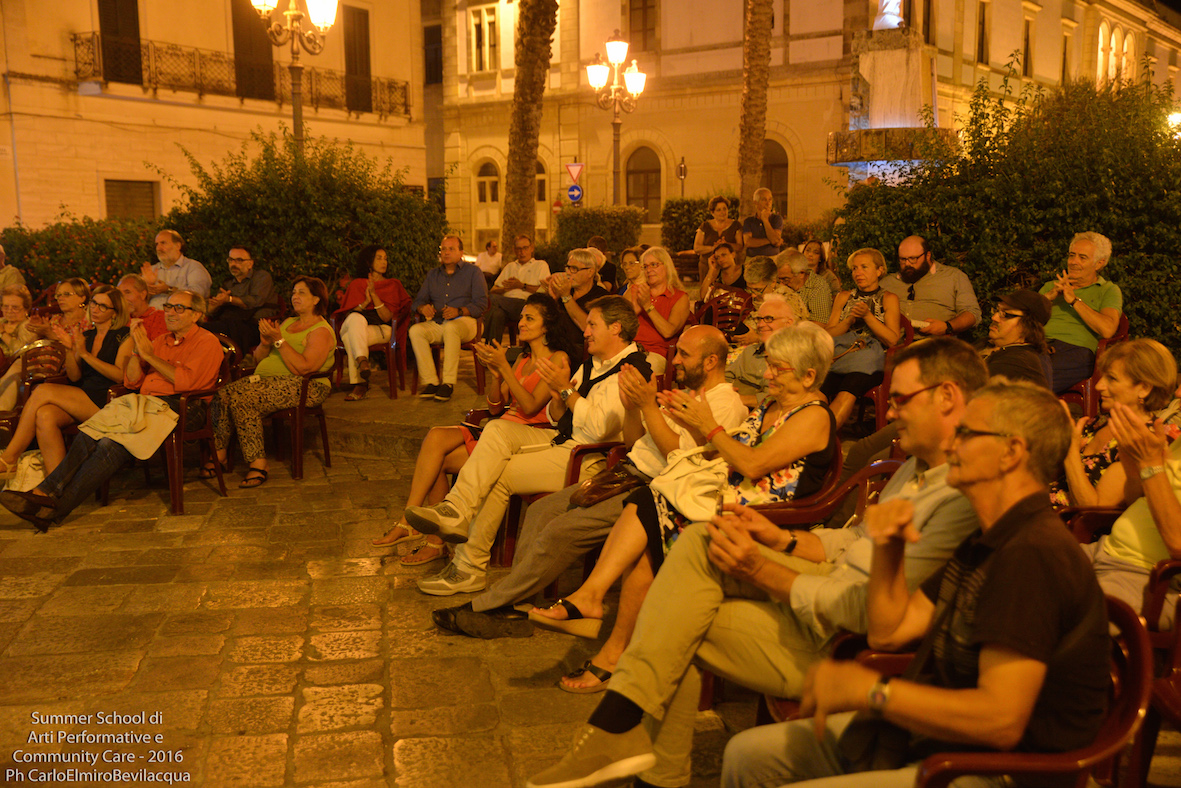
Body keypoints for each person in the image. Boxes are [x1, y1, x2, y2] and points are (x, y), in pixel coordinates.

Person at [525, 338, 988, 788]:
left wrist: (763, 569)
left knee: (687, 557)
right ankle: (640, 758)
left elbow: (873, 613)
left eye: (901, 399)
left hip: (845, 644)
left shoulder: (960, 496)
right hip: (819, 579)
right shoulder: (917, 468)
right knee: (675, 617)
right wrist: (784, 539)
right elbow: (853, 541)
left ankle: (615, 726)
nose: (886, 411)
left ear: (948, 397)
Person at [721, 381, 1109, 788]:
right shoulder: (986, 540)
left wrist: (874, 691)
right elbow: (890, 633)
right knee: (748, 755)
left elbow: (1001, 721)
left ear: (1011, 452)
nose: (951, 443)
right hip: (936, 740)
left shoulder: (1032, 554)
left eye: (966, 433)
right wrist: (888, 550)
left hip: (998, 771)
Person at [530, 323, 838, 693]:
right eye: (769, 364)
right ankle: (606, 635)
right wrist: (692, 427)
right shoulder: (771, 405)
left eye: (777, 368)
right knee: (649, 512)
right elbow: (723, 454)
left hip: (763, 520)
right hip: (728, 500)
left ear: (809, 376)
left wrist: (708, 427)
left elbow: (752, 464)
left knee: (650, 508)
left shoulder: (814, 415)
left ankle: (602, 626)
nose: (767, 374)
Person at [430, 325, 747, 641]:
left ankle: (490, 605)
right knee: (540, 511)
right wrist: (632, 409)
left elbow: (678, 459)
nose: (675, 360)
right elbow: (635, 443)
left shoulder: (724, 403)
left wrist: (649, 406)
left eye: (684, 355)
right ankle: (518, 607)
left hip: (655, 488)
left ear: (710, 361)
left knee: (560, 530)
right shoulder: (685, 395)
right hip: (625, 472)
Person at [406, 296, 653, 596]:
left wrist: (565, 391)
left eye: (592, 325)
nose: (585, 332)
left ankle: (467, 568)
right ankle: (456, 509)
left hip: (591, 457)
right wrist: (561, 399)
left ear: (615, 328)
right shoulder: (594, 363)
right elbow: (555, 414)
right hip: (564, 438)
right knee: (497, 429)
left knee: (500, 474)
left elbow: (600, 429)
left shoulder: (632, 369)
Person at [371, 293, 581, 567]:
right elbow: (495, 406)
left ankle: (431, 540)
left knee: (440, 460)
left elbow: (530, 407)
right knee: (436, 436)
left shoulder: (557, 358)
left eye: (530, 318)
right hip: (502, 426)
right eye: (521, 317)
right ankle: (411, 521)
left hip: (527, 435)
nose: (521, 323)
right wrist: (497, 377)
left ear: (546, 326)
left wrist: (505, 368)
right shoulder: (523, 358)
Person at [0, 290, 222, 532]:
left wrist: (149, 356)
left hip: (185, 406)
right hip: (145, 404)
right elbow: (132, 381)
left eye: (178, 308)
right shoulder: (160, 341)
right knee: (92, 433)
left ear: (196, 315)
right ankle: (46, 496)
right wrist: (137, 351)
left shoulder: (206, 341)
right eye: (168, 307)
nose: (170, 313)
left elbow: (187, 383)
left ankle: (50, 502)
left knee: (109, 444)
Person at [209, 277, 335, 489]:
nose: (295, 297)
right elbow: (259, 360)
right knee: (222, 394)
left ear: (316, 299)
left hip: (306, 386)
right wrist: (265, 343)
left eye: (301, 293)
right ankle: (219, 454)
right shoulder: (288, 323)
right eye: (293, 292)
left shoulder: (320, 331)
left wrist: (279, 340)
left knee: (244, 399)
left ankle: (258, 463)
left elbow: (305, 368)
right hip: (267, 381)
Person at [0, 285, 132, 477]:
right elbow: (75, 376)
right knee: (45, 415)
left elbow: (119, 375)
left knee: (42, 391)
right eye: (94, 303)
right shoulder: (87, 335)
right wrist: (69, 349)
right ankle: (57, 482)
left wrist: (85, 355)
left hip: (108, 398)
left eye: (102, 306)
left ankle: (10, 457)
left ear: (115, 312)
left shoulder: (125, 336)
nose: (95, 309)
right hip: (83, 394)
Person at [1084, 399, 1181, 630]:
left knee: (1066, 617)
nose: (1177, 392)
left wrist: (1150, 464)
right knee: (1016, 565)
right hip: (1105, 550)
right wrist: (1132, 463)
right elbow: (1137, 500)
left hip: (1153, 580)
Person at [1049, 339, 1179, 508]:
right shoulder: (1099, 422)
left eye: (1111, 379)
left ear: (1144, 388)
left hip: (1062, 521)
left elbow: (1093, 511)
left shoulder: (1144, 440)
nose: (1099, 386)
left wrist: (1070, 454)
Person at [823, 248, 901, 428]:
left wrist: (867, 316)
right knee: (819, 387)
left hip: (869, 365)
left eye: (864, 267)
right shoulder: (844, 297)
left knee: (850, 386)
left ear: (880, 270)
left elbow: (892, 340)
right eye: (854, 268)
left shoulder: (888, 298)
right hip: (841, 360)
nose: (858, 273)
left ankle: (824, 432)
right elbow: (827, 335)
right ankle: (810, 429)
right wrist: (849, 320)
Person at [1040, 231, 1124, 393]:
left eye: (1082, 257)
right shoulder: (1050, 286)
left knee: (1033, 380)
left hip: (1075, 351)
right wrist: (1048, 297)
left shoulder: (1108, 290)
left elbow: (1107, 329)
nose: (1073, 262)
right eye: (1072, 255)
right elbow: (1022, 322)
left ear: (1099, 263)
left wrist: (1074, 300)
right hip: (1039, 345)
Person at [409, 235, 488, 403]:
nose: (446, 252)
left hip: (468, 322)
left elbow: (481, 303)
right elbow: (417, 301)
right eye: (443, 249)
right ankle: (431, 382)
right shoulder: (433, 275)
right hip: (440, 322)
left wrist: (459, 311)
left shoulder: (473, 272)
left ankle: (448, 383)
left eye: (451, 249)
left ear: (461, 252)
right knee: (416, 331)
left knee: (452, 327)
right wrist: (423, 308)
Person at [335, 245, 412, 401]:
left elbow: (386, 317)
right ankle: (362, 362)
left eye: (385, 259)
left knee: (350, 337)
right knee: (355, 319)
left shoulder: (392, 284)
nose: (384, 262)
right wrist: (365, 302)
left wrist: (374, 295)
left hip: (381, 329)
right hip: (356, 325)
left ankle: (361, 380)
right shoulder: (357, 284)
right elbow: (349, 313)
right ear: (369, 262)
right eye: (379, 258)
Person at [879, 235, 980, 336]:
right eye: (902, 259)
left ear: (927, 256)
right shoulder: (887, 282)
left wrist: (948, 326)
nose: (907, 264)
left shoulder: (953, 277)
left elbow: (972, 313)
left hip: (936, 342)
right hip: (895, 343)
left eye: (913, 258)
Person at [625, 247, 690, 375]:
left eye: (654, 265)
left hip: (655, 353)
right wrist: (634, 312)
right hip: (627, 348)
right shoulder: (635, 291)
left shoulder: (679, 297)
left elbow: (668, 331)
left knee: (635, 372)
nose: (649, 270)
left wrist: (647, 306)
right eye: (645, 266)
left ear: (667, 266)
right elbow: (616, 324)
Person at [203, 245, 279, 352]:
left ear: (250, 264)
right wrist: (215, 304)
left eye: (239, 260)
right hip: (229, 323)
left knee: (207, 331)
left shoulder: (261, 277)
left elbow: (255, 301)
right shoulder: (228, 283)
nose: (233, 264)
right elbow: (210, 312)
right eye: (231, 260)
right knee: (198, 329)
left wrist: (229, 299)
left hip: (254, 325)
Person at [725, 295, 797, 408]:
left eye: (769, 319)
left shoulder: (796, 358)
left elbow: (783, 396)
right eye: (759, 319)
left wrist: (740, 399)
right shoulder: (750, 351)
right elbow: (725, 377)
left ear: (788, 323)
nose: (760, 325)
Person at [978, 289, 1054, 388]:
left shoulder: (1020, 362)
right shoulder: (986, 343)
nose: (994, 317)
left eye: (1006, 314)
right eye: (997, 310)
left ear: (1028, 325)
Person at [483, 235, 548, 343]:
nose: (522, 252)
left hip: (527, 304)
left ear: (531, 248)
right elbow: (493, 290)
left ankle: (481, 336)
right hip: (506, 305)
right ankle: (493, 349)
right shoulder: (510, 266)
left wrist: (522, 286)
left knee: (492, 299)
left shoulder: (540, 265)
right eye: (518, 249)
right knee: (497, 314)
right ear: (514, 250)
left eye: (525, 248)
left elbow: (544, 290)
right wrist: (505, 289)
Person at [142, 230, 212, 309]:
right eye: (156, 244)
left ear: (178, 246)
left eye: (163, 243)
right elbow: (138, 302)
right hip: (152, 314)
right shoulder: (151, 270)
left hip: (179, 314)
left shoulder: (193, 267)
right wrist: (148, 287)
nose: (158, 248)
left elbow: (198, 295)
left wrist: (169, 289)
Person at [545, 248, 610, 333]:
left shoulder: (602, 297)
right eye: (568, 268)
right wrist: (553, 299)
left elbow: (588, 327)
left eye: (574, 268)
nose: (568, 272)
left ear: (590, 272)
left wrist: (566, 297)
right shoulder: (565, 290)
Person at [0, 284, 34, 410]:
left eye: (15, 307)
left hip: (18, 368)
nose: (9, 310)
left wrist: (3, 334)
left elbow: (22, 351)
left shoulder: (28, 326)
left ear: (26, 308)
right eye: (5, 306)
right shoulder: (1, 322)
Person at [777, 248, 833, 324]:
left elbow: (820, 323)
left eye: (785, 279)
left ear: (801, 274)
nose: (781, 284)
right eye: (779, 279)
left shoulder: (818, 287)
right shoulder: (780, 284)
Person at [695, 196, 744, 283]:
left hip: (729, 269)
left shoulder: (736, 225)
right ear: (712, 212)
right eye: (719, 210)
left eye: (724, 209)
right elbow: (697, 248)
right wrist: (713, 248)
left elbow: (740, 246)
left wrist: (726, 245)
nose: (722, 212)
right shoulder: (705, 226)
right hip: (707, 267)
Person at [118, 274, 167, 340]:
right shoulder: (121, 319)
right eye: (120, 294)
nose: (122, 298)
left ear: (143, 294)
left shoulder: (159, 317)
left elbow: (158, 345)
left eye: (127, 292)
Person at [742, 187, 783, 257]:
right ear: (756, 202)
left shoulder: (776, 219)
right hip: (753, 259)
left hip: (772, 258)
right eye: (764, 200)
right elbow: (748, 242)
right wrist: (770, 240)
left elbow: (775, 240)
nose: (768, 203)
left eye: (770, 199)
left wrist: (765, 220)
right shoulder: (749, 221)